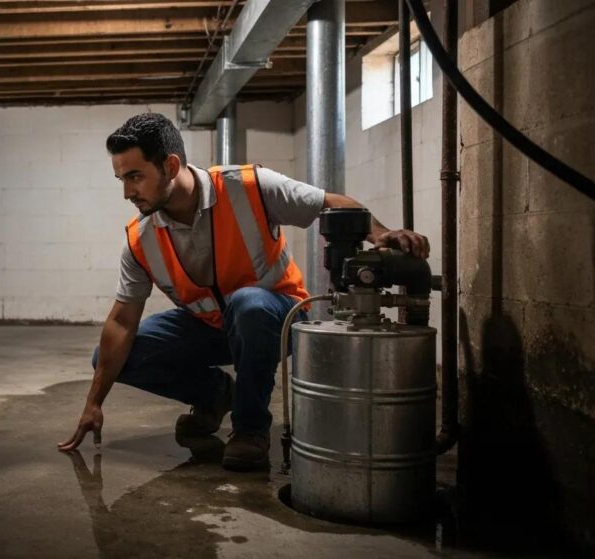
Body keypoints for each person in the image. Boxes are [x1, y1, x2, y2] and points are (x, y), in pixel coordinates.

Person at [56, 113, 430, 471]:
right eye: (121, 179)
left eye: (134, 176)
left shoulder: (248, 186)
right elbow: (122, 322)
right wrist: (93, 402)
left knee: (248, 304)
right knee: (113, 356)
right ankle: (215, 394)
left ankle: (250, 429)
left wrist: (381, 234)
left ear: (170, 166)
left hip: (277, 318)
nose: (126, 192)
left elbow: (330, 203)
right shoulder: (141, 237)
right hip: (212, 326)